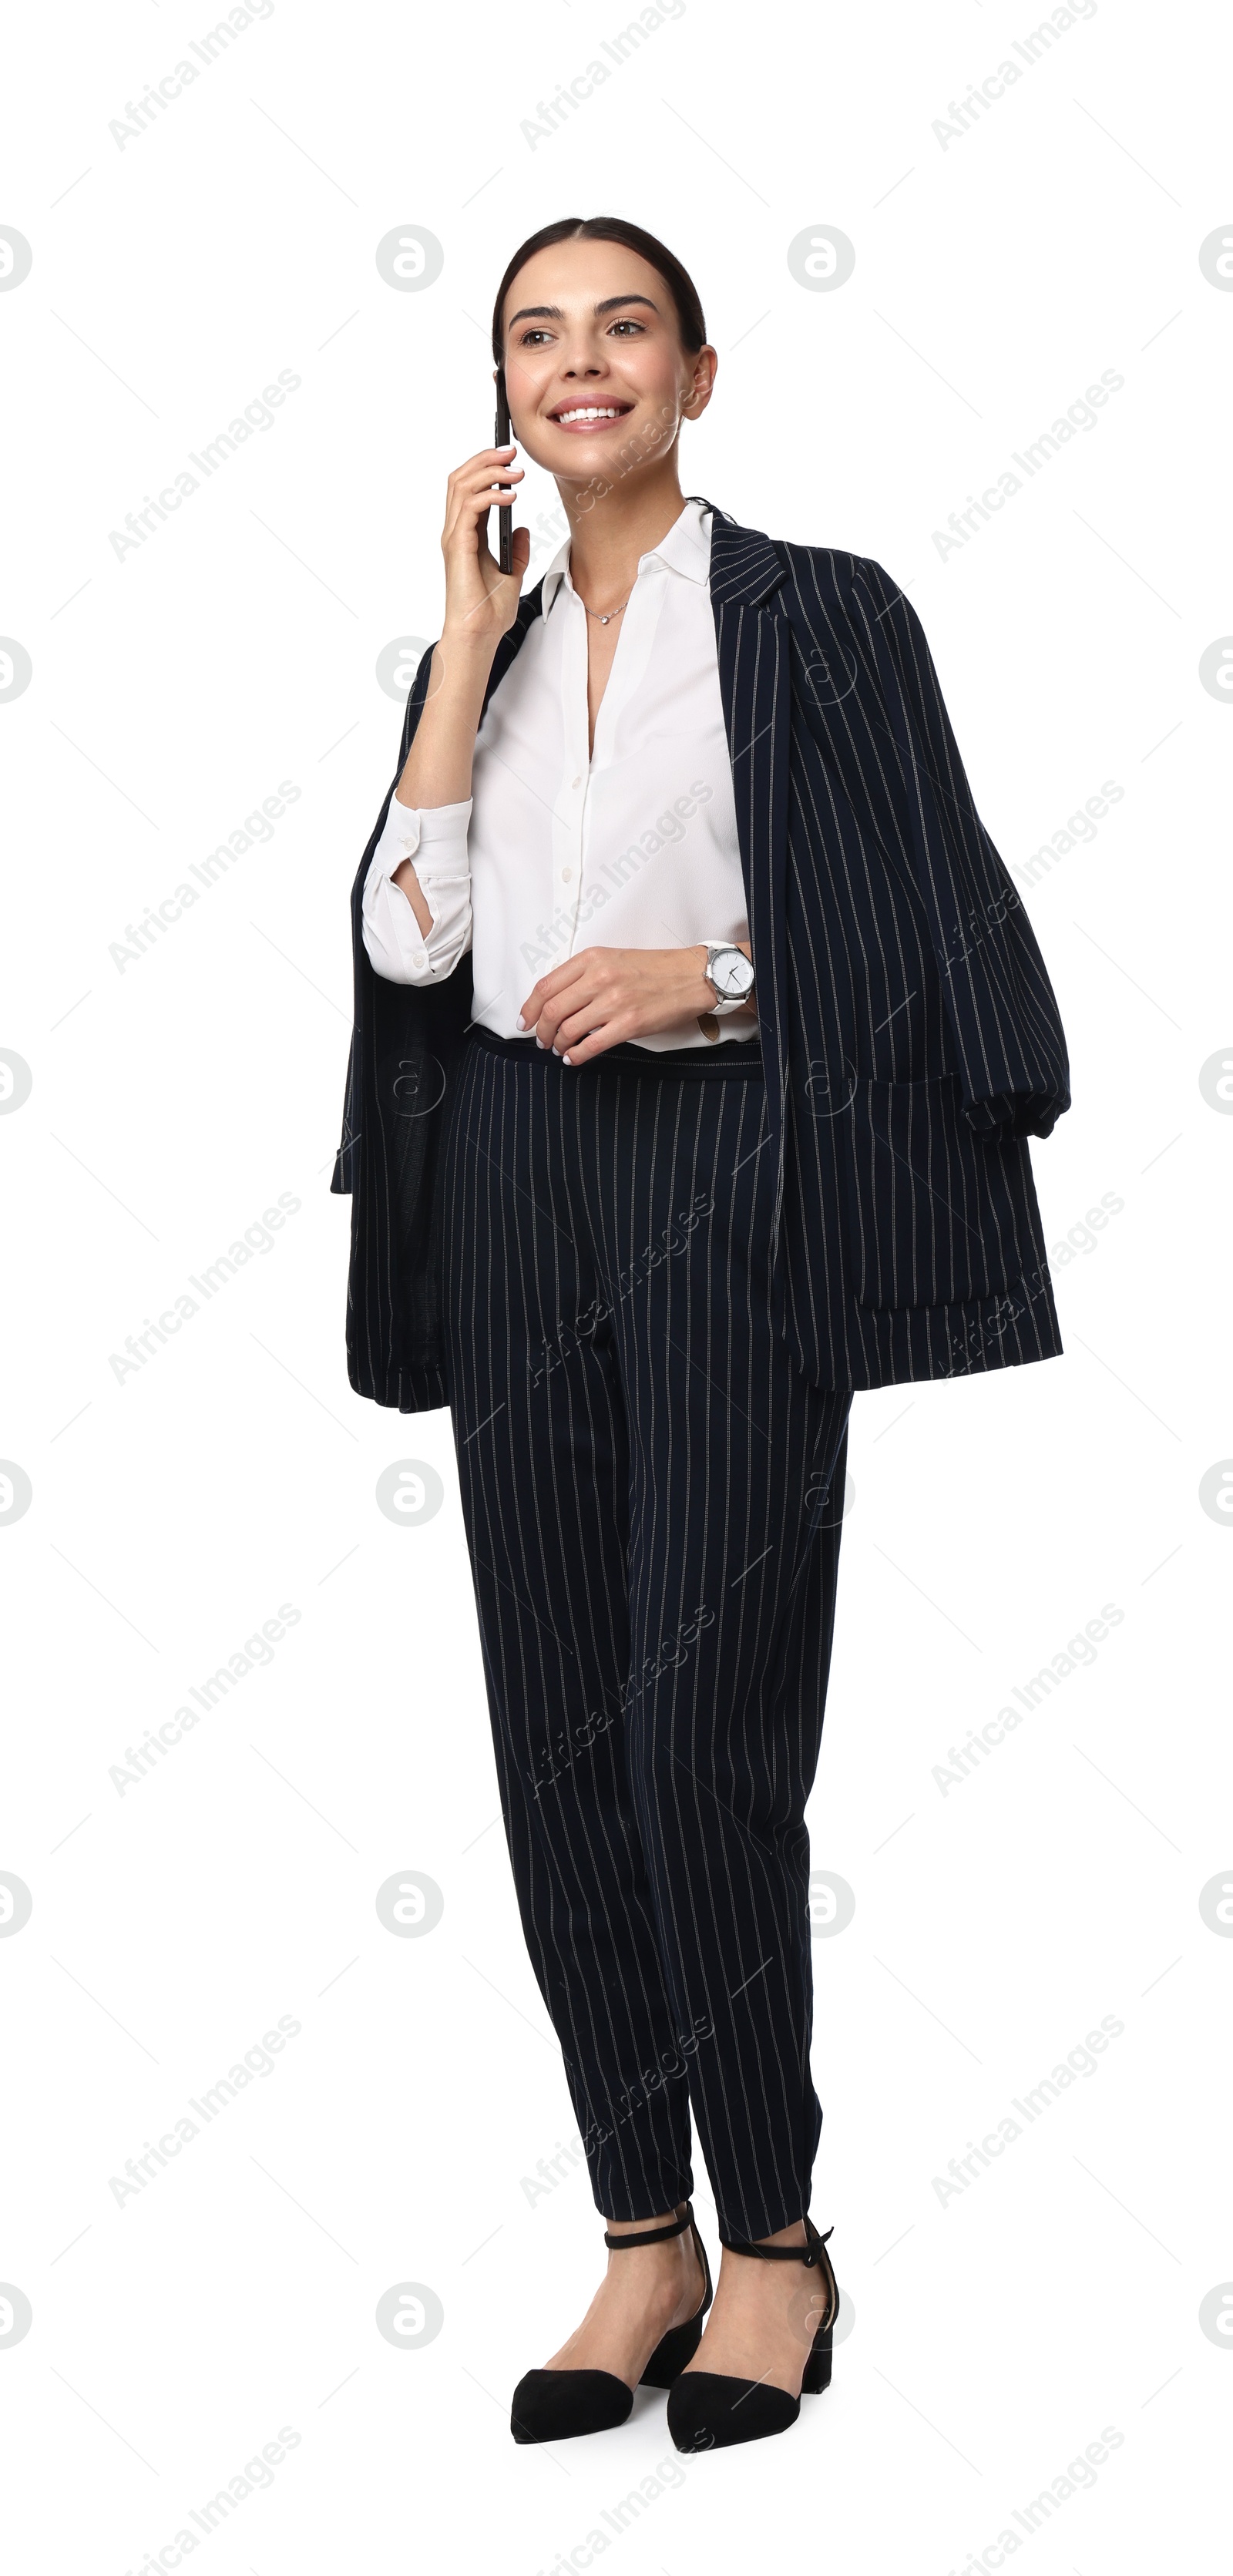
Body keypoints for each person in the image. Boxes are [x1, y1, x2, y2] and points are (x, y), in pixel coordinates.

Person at [334, 215, 1070, 2450]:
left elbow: (935, 928)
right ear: (504, 398)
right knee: (558, 1741)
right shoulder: (498, 645)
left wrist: (711, 982)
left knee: (699, 1739)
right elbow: (407, 943)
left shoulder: (823, 616)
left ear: (700, 373)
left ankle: (776, 2245)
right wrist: (459, 659)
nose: (581, 365)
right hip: (514, 1204)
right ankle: (636, 2235)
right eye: (536, 337)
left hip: (732, 1181)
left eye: (620, 328)